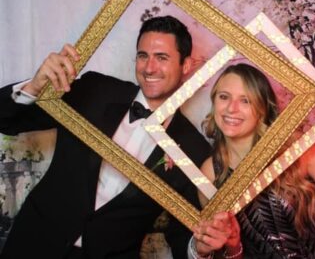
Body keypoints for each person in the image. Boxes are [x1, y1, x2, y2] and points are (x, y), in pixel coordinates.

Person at [0, 15, 212, 259]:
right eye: (143, 56)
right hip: (35, 244)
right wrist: (35, 87)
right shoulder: (94, 90)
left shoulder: (193, 149)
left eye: (162, 58)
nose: (149, 68)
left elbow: (183, 237)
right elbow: (6, 119)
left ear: (186, 66)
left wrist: (199, 248)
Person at [188, 63, 315, 258]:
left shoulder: (299, 149)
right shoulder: (209, 173)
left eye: (245, 100)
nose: (231, 108)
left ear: (262, 108)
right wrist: (233, 247)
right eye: (224, 97)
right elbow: (231, 252)